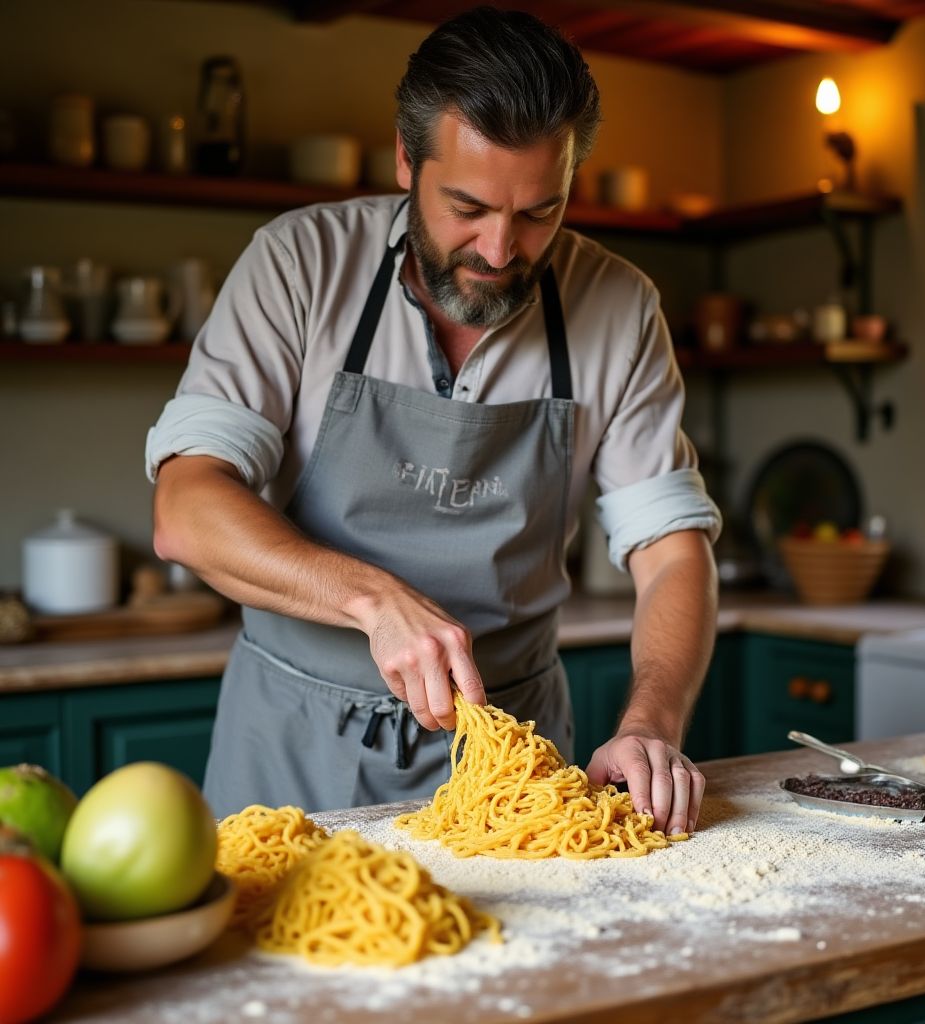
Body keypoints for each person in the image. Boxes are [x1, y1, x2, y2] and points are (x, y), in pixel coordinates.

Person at [146, 6, 721, 835]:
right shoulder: (300, 264)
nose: (499, 250)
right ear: (405, 159)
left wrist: (649, 727)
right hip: (289, 749)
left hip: (510, 764)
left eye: (538, 214)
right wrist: (375, 602)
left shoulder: (619, 307)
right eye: (468, 207)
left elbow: (672, 553)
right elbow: (186, 507)